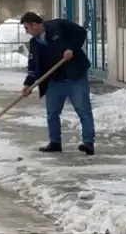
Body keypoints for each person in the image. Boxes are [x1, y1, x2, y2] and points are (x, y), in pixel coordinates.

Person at [19, 11, 95, 155]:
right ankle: (55, 143)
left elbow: (80, 32)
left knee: (83, 111)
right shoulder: (34, 43)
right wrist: (28, 85)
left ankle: (88, 143)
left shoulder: (58, 26)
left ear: (35, 25)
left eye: (27, 28)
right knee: (52, 114)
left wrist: (71, 48)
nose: (26, 31)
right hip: (54, 82)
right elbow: (33, 66)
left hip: (75, 78)